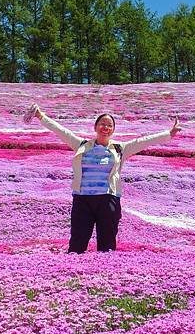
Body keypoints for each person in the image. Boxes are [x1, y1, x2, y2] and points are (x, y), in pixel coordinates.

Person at [24, 104, 181, 253]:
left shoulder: (120, 148)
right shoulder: (82, 145)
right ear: (95, 127)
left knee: (107, 244)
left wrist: (169, 134)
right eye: (102, 124)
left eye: (109, 125)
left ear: (113, 130)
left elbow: (143, 142)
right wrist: (40, 115)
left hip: (108, 199)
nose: (105, 127)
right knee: (77, 243)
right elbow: (61, 131)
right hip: (82, 198)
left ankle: (105, 276)